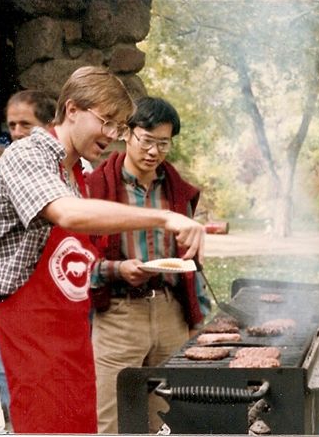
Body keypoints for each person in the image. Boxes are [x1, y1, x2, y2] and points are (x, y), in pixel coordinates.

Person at [0, 67, 205, 434]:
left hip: (70, 338)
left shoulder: (77, 175)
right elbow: (67, 214)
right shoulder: (27, 156)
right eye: (107, 122)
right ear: (72, 110)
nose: (113, 136)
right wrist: (164, 218)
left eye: (118, 127)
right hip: (24, 335)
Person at [87, 96, 211, 434]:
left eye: (163, 144)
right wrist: (118, 270)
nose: (154, 152)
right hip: (118, 314)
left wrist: (196, 318)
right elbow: (80, 261)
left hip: (171, 312)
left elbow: (192, 261)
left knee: (169, 417)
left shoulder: (177, 190)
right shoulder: (96, 187)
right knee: (110, 418)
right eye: (147, 140)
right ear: (127, 134)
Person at [5, 89, 94, 172]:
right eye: (12, 126)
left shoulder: (76, 163)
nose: (16, 133)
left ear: (51, 127)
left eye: (25, 125)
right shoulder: (8, 165)